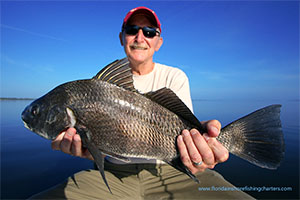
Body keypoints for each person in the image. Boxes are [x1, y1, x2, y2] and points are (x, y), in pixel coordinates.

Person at [31, 6, 254, 199]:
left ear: (158, 42)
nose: (140, 37)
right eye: (132, 30)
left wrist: (204, 143)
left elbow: (186, 130)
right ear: (122, 37)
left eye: (149, 32)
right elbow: (97, 147)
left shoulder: (174, 77)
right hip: (112, 174)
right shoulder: (97, 86)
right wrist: (88, 150)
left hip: (170, 171)